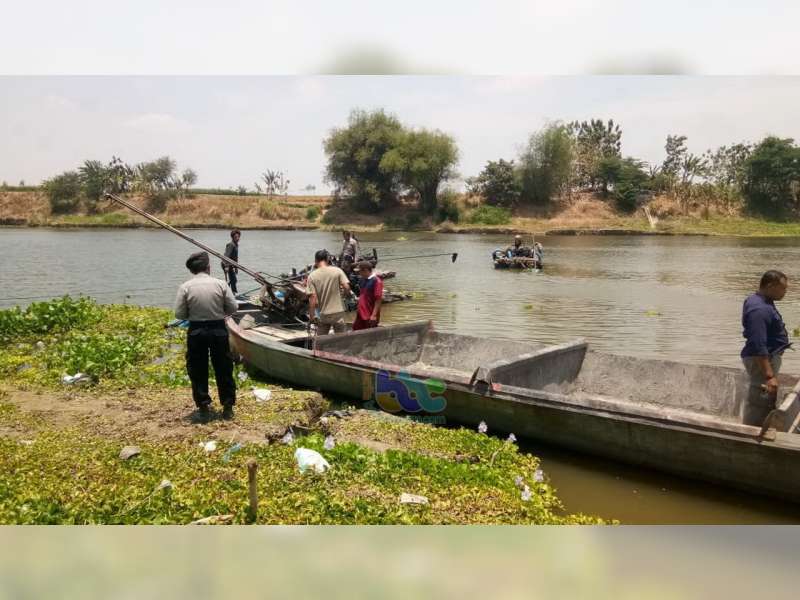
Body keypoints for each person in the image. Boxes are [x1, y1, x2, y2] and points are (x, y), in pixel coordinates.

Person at [175, 251, 238, 421]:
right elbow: (233, 308)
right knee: (223, 367)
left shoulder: (185, 287)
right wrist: (219, 311)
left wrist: (194, 313)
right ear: (208, 267)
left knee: (197, 368)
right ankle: (227, 406)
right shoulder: (221, 284)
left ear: (192, 270)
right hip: (218, 329)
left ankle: (203, 406)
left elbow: (180, 314)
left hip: (197, 331)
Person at [740, 270, 791, 426]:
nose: (785, 291)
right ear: (770, 286)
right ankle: (750, 434)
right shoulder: (759, 309)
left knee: (763, 398)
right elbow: (757, 345)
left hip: (765, 358)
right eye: (783, 288)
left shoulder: (759, 301)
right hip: (762, 360)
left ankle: (760, 427)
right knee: (759, 399)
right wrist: (769, 376)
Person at [307, 249, 352, 335]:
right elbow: (347, 287)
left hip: (324, 314)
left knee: (320, 339)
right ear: (327, 260)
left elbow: (313, 298)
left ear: (316, 261)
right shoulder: (337, 271)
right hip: (338, 313)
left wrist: (312, 317)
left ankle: (319, 348)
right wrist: (346, 296)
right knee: (342, 338)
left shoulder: (312, 276)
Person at [352, 261, 383, 331]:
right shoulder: (362, 280)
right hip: (361, 312)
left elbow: (378, 299)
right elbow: (363, 294)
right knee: (356, 329)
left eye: (360, 271)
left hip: (369, 314)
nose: (359, 273)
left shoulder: (377, 281)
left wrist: (374, 315)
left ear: (365, 270)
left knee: (369, 334)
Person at [222, 229, 241, 294]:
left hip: (231, 264)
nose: (237, 238)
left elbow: (235, 258)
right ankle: (233, 293)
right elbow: (226, 256)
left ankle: (230, 292)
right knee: (233, 279)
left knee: (233, 279)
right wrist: (226, 266)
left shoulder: (236, 245)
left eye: (238, 237)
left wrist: (236, 267)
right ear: (232, 237)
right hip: (226, 263)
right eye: (236, 237)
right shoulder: (231, 245)